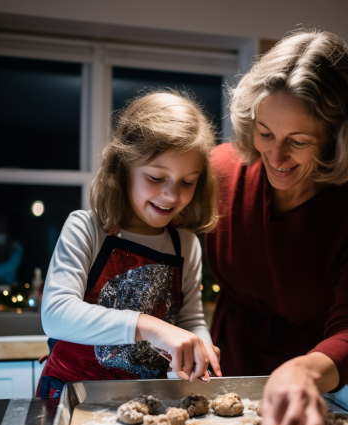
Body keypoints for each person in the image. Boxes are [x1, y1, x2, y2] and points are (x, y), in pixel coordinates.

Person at [205, 30, 348, 425]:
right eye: (264, 133)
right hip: (233, 367)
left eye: (298, 141)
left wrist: (304, 374)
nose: (275, 158)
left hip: (329, 380)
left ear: (337, 135)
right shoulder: (219, 171)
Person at [36, 91, 222, 397]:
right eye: (156, 177)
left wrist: (199, 346)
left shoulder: (185, 245)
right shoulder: (87, 229)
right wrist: (150, 326)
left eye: (187, 182)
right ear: (123, 169)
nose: (172, 196)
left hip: (148, 398)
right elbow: (56, 314)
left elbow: (189, 318)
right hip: (72, 395)